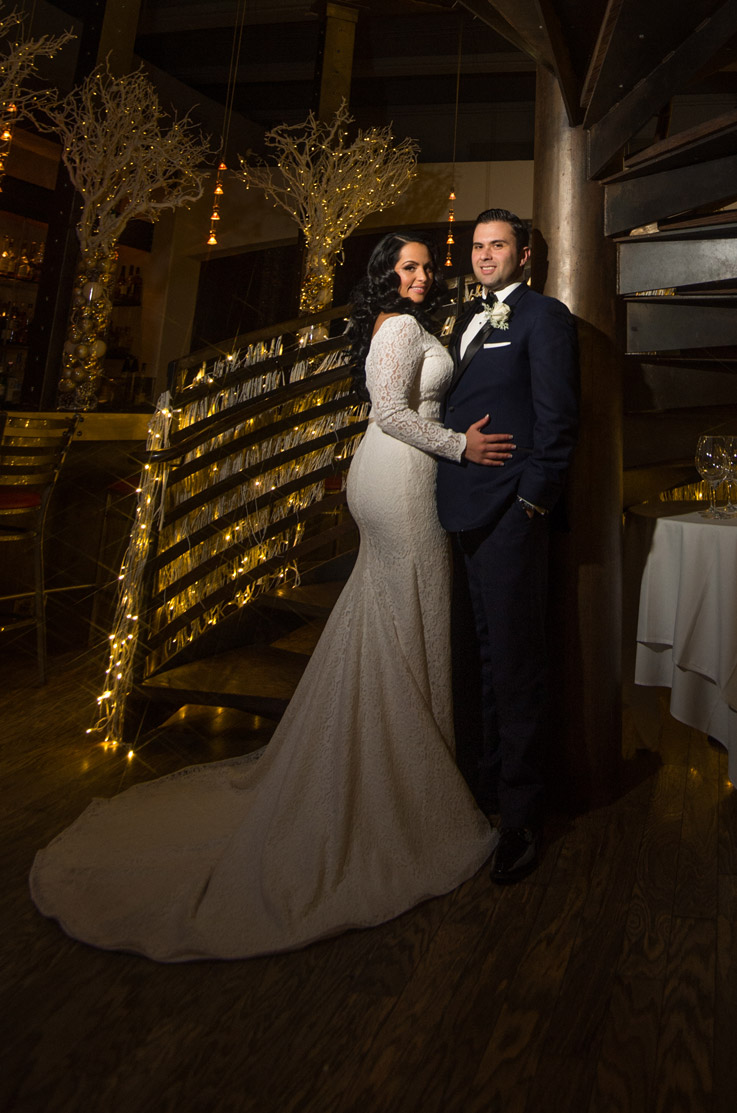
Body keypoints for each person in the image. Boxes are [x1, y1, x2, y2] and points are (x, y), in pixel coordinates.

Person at [29, 232, 511, 962]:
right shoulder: (399, 325)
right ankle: (405, 803)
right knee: (407, 612)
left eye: (422, 265)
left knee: (391, 618)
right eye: (404, 266)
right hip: (399, 476)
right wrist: (459, 447)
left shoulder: (403, 324)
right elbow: (388, 413)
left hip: (401, 475)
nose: (418, 275)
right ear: (383, 278)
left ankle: (405, 773)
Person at [436, 208, 579, 885]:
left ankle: (522, 815)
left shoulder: (541, 317)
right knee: (483, 659)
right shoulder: (465, 317)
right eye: (476, 245)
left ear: (524, 255)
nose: (484, 255)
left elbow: (557, 419)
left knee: (517, 661)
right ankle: (489, 791)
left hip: (508, 513)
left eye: (497, 245)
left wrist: (532, 504)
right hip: (459, 510)